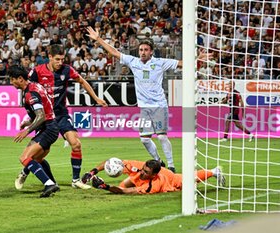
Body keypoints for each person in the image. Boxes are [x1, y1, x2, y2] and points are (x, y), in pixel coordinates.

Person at [87, 26, 182, 172]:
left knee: (162, 137)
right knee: (144, 139)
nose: (143, 52)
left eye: (145, 50)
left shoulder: (159, 62)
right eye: (141, 50)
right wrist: (99, 39)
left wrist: (198, 60)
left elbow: (181, 63)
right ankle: (159, 161)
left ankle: (171, 165)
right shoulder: (134, 62)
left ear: (151, 51)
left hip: (159, 105)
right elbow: (114, 52)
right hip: (144, 108)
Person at [16, 44, 108, 190]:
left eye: (62, 59)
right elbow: (29, 92)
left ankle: (76, 180)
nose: (60, 62)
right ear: (50, 57)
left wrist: (96, 98)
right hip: (45, 118)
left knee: (76, 144)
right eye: (57, 59)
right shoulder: (37, 72)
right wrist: (28, 119)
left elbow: (82, 81)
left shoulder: (67, 69)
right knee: (38, 155)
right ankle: (25, 171)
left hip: (61, 114)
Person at [8, 65, 60, 198]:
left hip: (48, 128)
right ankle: (52, 182)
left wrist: (27, 130)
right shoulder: (35, 86)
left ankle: (49, 184)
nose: (11, 82)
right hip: (50, 127)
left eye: (12, 79)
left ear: (20, 79)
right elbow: (43, 113)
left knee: (24, 158)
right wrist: (29, 122)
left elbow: (41, 116)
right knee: (38, 158)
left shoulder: (31, 93)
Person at [82, 159, 225, 194]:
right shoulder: (139, 167)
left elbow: (126, 192)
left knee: (190, 179)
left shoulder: (153, 184)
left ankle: (214, 171)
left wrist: (105, 187)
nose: (142, 172)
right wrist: (92, 172)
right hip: (159, 172)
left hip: (170, 179)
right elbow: (111, 161)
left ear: (153, 175)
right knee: (123, 183)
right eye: (143, 170)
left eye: (146, 172)